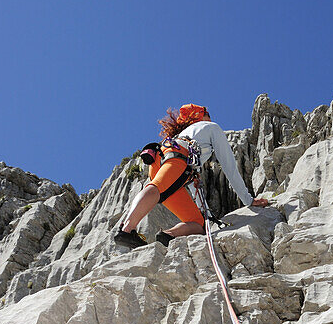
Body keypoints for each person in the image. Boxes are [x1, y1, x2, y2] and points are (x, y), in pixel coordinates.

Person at [115, 104, 268, 248]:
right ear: (202, 116)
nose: (211, 117)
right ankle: (127, 229)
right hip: (176, 157)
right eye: (208, 114)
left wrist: (206, 213)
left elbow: (190, 181)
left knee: (199, 224)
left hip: (163, 161)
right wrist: (248, 200)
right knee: (157, 187)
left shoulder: (185, 134)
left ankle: (167, 235)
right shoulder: (211, 127)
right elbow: (229, 167)